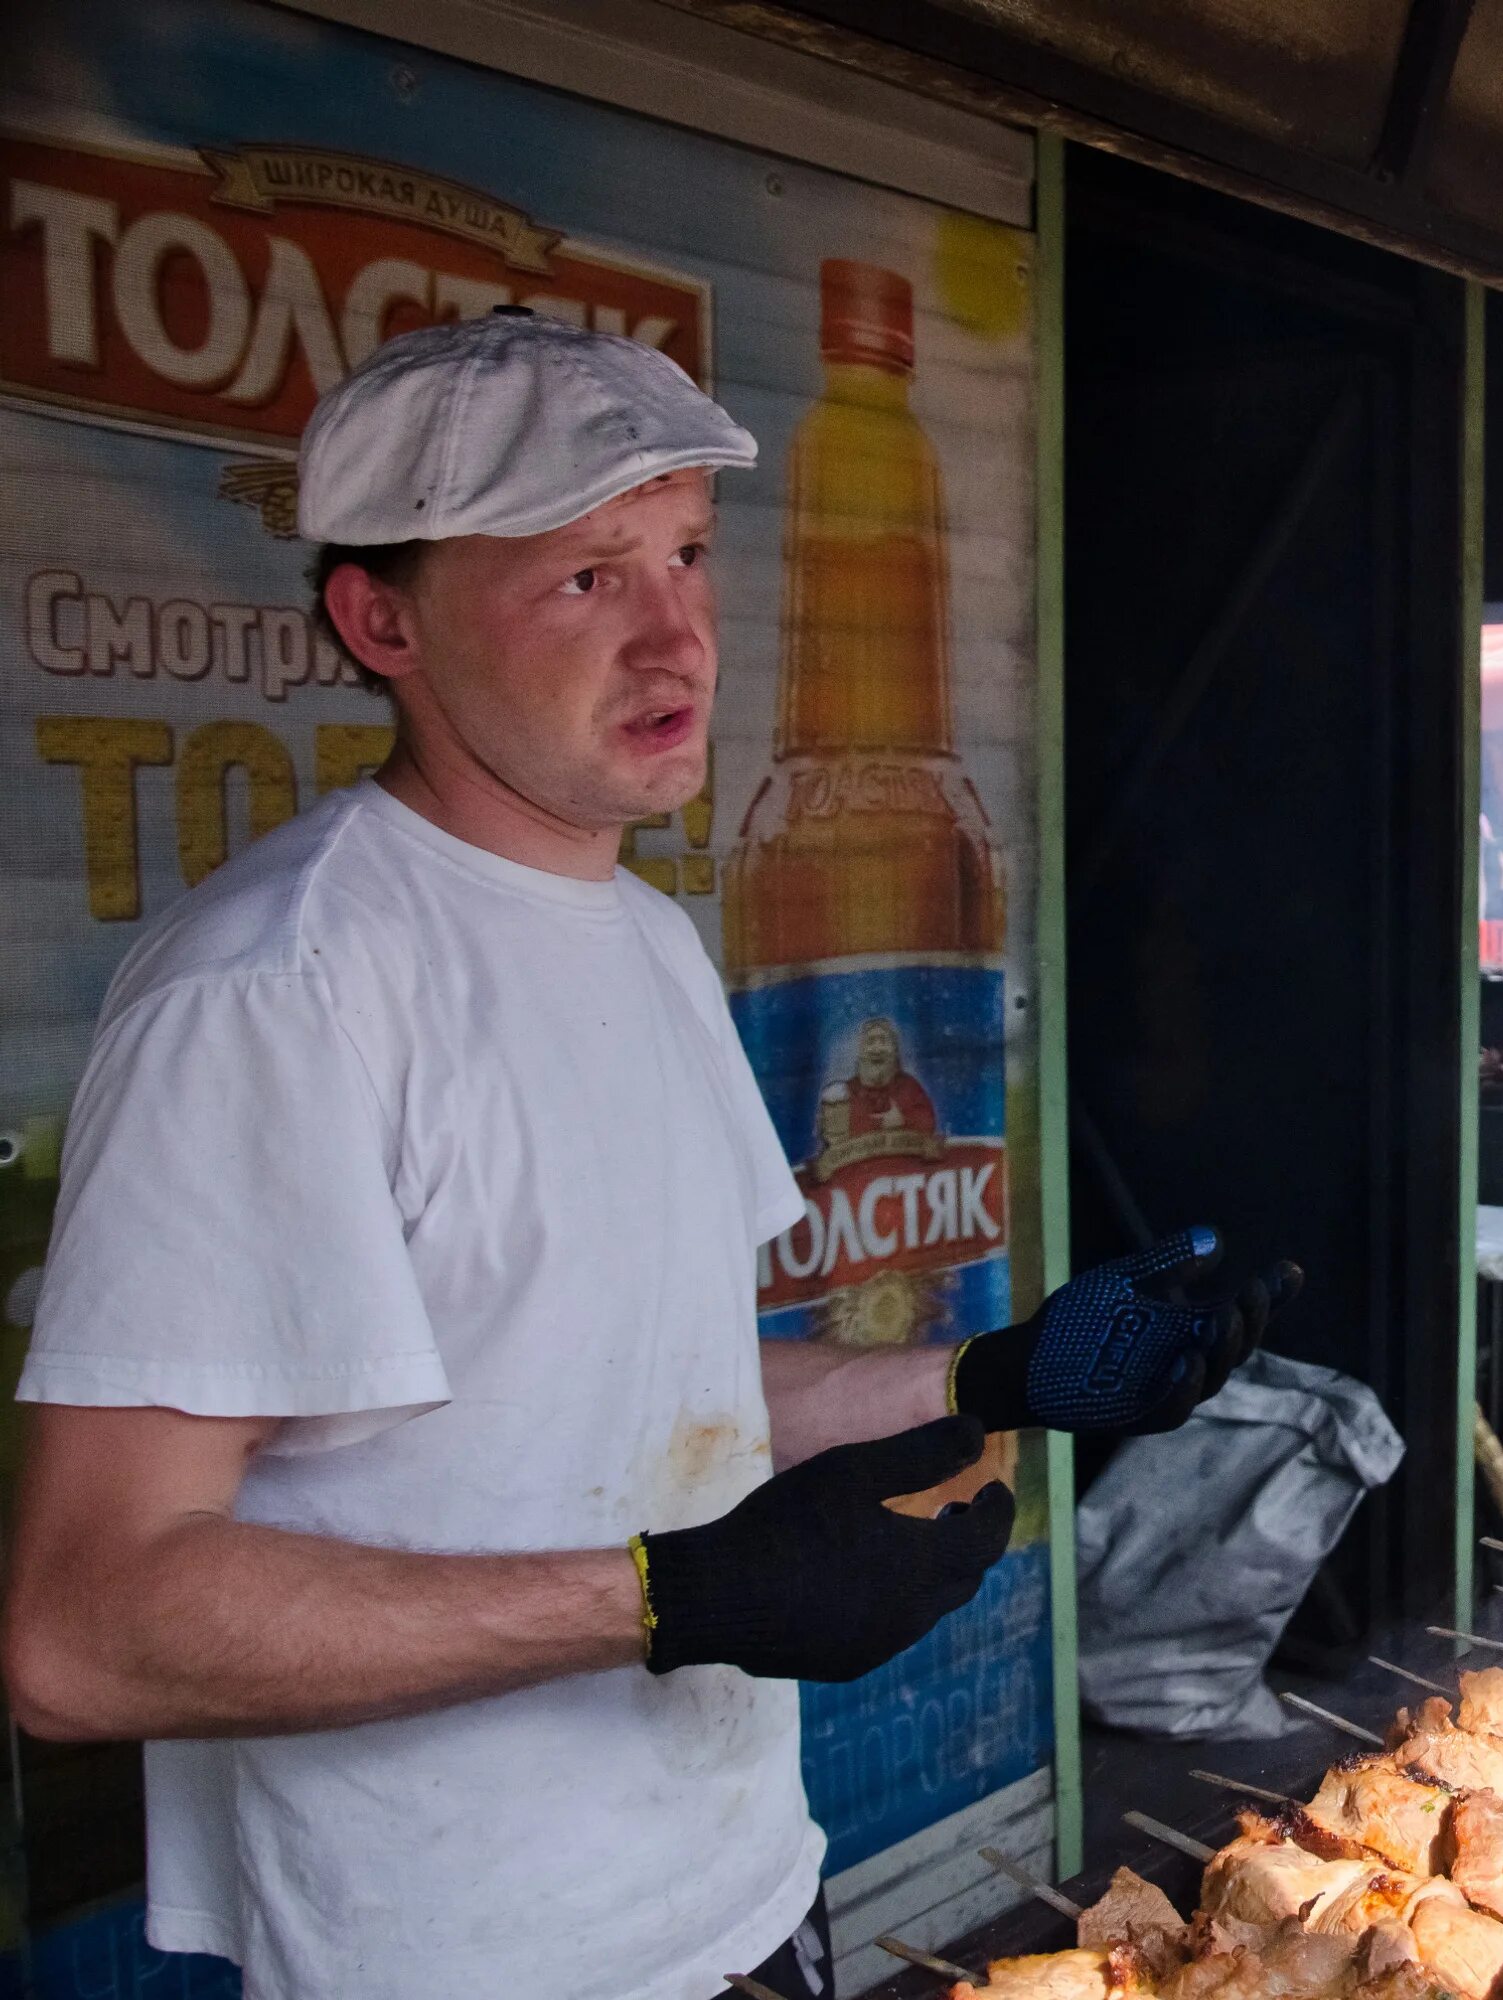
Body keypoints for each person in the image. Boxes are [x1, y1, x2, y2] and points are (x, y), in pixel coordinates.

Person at [3, 313, 1295, 2000]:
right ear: (380, 617)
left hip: (743, 1898)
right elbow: (83, 1628)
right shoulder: (278, 992)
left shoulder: (649, 941)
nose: (678, 633)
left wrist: (994, 1373)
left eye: (686, 553)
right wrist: (667, 1598)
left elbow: (656, 1380)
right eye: (584, 577)